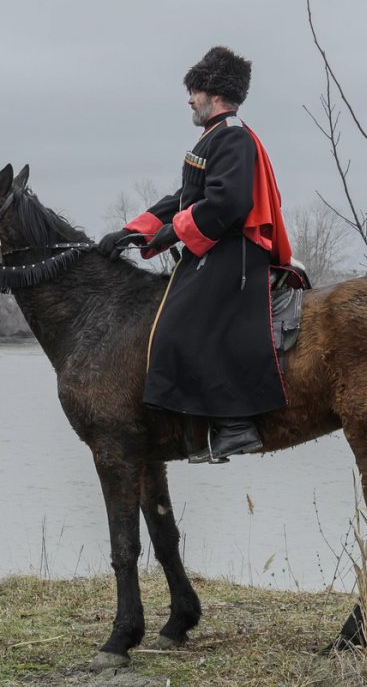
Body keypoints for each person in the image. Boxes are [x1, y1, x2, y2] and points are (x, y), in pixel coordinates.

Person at [97, 46, 292, 463]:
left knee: (179, 324)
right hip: (217, 246)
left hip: (236, 253)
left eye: (194, 91)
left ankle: (236, 426)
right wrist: (135, 230)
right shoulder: (214, 137)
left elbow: (229, 204)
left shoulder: (233, 137)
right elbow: (185, 199)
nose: (189, 99)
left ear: (214, 94)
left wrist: (176, 230)